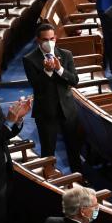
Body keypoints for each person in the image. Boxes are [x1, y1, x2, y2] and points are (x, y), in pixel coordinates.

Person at [23, 23, 83, 173]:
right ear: (38, 41)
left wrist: (59, 69)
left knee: (73, 148)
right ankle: (50, 179)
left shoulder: (66, 54)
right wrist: (47, 71)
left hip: (67, 110)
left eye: (51, 38)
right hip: (46, 113)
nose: (49, 42)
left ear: (55, 38)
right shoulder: (29, 59)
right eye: (45, 39)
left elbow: (74, 80)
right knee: (48, 151)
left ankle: (79, 178)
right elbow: (36, 85)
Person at [0, 88, 30, 223]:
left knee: (4, 218)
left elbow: (3, 134)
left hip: (3, 168)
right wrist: (9, 121)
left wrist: (18, 119)